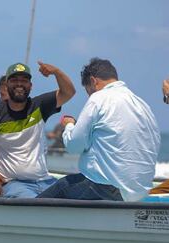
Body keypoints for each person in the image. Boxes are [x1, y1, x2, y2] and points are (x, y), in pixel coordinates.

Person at [37, 58, 161, 201]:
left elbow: (73, 146)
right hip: (139, 192)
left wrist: (70, 125)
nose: (89, 95)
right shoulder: (143, 105)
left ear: (93, 81)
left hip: (107, 189)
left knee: (62, 186)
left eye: (88, 91)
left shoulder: (99, 98)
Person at [0, 62, 76, 197]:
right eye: (14, 80)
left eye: (24, 80)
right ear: (6, 85)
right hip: (14, 184)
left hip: (46, 181)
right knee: (35, 205)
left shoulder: (39, 106)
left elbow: (68, 92)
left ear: (30, 86)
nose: (19, 84)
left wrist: (56, 71)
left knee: (82, 187)